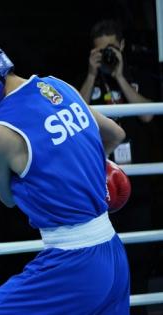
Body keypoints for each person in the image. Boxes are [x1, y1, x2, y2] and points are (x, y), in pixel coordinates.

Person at [0, 35, 130, 314]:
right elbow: (115, 134)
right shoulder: (57, 86)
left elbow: (9, 200)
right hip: (113, 252)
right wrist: (88, 173)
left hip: (73, 264)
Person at [79, 19, 157, 314]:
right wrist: (90, 73)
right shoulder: (91, 81)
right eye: (101, 51)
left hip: (139, 191)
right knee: (105, 265)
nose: (108, 55)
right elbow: (76, 111)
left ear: (122, 46)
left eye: (112, 48)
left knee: (138, 261)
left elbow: (148, 116)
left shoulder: (137, 77)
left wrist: (121, 76)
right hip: (102, 193)